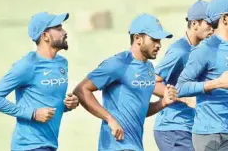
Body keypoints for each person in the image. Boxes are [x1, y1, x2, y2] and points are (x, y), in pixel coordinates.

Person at [73, 14, 177, 151]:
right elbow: (81, 90)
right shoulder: (119, 63)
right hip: (115, 146)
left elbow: (140, 110)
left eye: (160, 40)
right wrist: (109, 119)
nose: (159, 45)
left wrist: (163, 103)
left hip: (136, 146)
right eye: (154, 40)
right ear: (138, 38)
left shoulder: (149, 68)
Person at [0, 12, 79, 151]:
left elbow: (48, 102)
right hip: (28, 146)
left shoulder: (62, 63)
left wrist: (68, 105)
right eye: (59, 28)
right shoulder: (26, 65)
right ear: (45, 36)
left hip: (49, 144)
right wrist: (33, 114)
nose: (65, 32)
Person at [176, 0, 228, 151]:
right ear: (224, 19)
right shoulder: (205, 49)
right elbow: (180, 88)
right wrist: (217, 83)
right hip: (206, 134)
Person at [153, 0, 213, 151]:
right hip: (173, 128)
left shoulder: (204, 51)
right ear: (194, 24)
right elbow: (152, 82)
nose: (213, 29)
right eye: (209, 24)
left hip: (192, 128)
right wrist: (183, 98)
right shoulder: (180, 51)